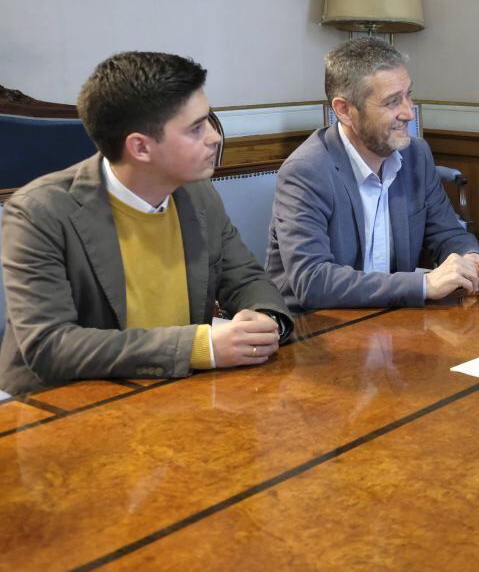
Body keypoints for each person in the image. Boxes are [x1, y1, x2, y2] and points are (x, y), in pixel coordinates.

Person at [0, 52, 292, 395]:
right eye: (196, 129)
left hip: (174, 393)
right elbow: (51, 346)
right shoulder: (39, 213)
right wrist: (200, 346)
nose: (215, 137)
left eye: (209, 121)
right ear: (140, 147)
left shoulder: (199, 194)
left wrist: (263, 318)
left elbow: (247, 278)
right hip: (65, 407)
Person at [266, 37, 479, 311]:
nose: (409, 113)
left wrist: (472, 260)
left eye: (408, 95)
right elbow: (313, 281)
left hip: (389, 320)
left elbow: (447, 232)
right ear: (344, 110)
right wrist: (425, 285)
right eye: (392, 102)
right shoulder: (306, 171)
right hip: (316, 330)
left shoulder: (416, 155)